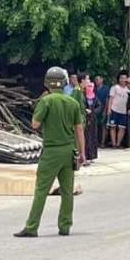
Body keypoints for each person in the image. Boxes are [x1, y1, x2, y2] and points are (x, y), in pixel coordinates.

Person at [15, 67, 85, 238]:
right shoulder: (73, 103)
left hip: (51, 152)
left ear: (47, 83)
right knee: (67, 191)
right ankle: (65, 226)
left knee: (41, 190)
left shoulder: (46, 101)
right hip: (69, 151)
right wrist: (82, 153)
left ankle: (32, 226)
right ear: (64, 82)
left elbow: (35, 125)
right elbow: (79, 130)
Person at [106, 71, 129, 148]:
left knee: (122, 128)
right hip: (114, 110)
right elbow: (110, 98)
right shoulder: (114, 87)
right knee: (113, 127)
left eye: (124, 78)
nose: (123, 80)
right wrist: (109, 109)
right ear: (119, 79)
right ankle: (114, 144)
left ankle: (118, 144)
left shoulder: (128, 89)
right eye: (121, 78)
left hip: (124, 111)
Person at [83, 77, 98, 163]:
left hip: (93, 119)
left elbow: (99, 106)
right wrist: (85, 110)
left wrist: (93, 111)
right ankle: (85, 155)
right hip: (85, 119)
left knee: (93, 137)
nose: (89, 88)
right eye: (88, 86)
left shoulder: (94, 97)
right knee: (86, 137)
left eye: (91, 86)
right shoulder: (83, 96)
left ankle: (92, 156)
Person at [94, 75, 110, 147]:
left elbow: (107, 99)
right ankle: (96, 141)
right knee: (95, 126)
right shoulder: (94, 88)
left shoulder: (106, 88)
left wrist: (105, 110)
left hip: (103, 108)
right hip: (95, 109)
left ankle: (103, 142)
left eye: (98, 79)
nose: (96, 81)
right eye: (95, 80)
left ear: (102, 80)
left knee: (103, 126)